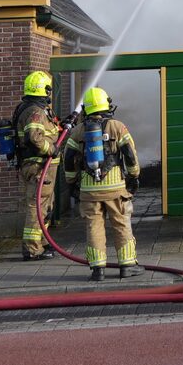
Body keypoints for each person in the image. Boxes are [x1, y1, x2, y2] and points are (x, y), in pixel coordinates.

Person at [63, 86, 141, 280]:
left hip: (89, 190)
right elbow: (130, 154)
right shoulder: (117, 126)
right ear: (106, 104)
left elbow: (68, 158)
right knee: (121, 223)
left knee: (93, 226)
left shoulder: (79, 130)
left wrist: (71, 182)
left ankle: (98, 269)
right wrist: (133, 176)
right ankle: (127, 265)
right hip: (115, 188)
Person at [15, 71, 62, 260]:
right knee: (37, 207)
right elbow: (34, 138)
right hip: (38, 167)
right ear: (45, 90)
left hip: (41, 167)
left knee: (43, 206)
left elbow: (46, 131)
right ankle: (32, 249)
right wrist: (51, 149)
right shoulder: (35, 111)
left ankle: (40, 244)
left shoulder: (33, 109)